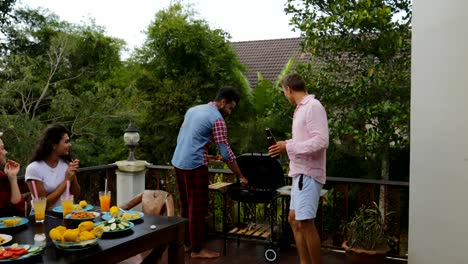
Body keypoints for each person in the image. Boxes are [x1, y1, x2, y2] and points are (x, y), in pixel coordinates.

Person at [171, 87, 248, 259]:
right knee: (197, 208)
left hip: (178, 161)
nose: (230, 112)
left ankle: (186, 243)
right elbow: (227, 153)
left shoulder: (194, 110)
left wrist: (205, 154)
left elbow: (184, 137)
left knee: (185, 205)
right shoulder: (217, 119)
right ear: (222, 102)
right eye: (230, 107)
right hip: (194, 166)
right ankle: (197, 250)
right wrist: (240, 175)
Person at [268, 73, 329, 264]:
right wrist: (286, 144)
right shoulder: (301, 109)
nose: (285, 96)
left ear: (288, 89)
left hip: (308, 173)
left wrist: (289, 147)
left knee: (306, 223)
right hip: (300, 173)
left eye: (284, 92)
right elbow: (305, 140)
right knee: (294, 219)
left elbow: (321, 140)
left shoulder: (313, 107)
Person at [25, 123, 80, 209]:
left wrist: (73, 175)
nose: (70, 145)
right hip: (44, 219)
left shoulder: (66, 163)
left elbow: (75, 195)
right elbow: (42, 205)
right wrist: (66, 181)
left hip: (66, 215)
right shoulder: (33, 169)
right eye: (66, 142)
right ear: (54, 145)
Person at [0, 132, 25, 217]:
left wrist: (12, 177)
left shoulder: (2, 177)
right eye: (2, 148)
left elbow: (18, 210)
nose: (6, 152)